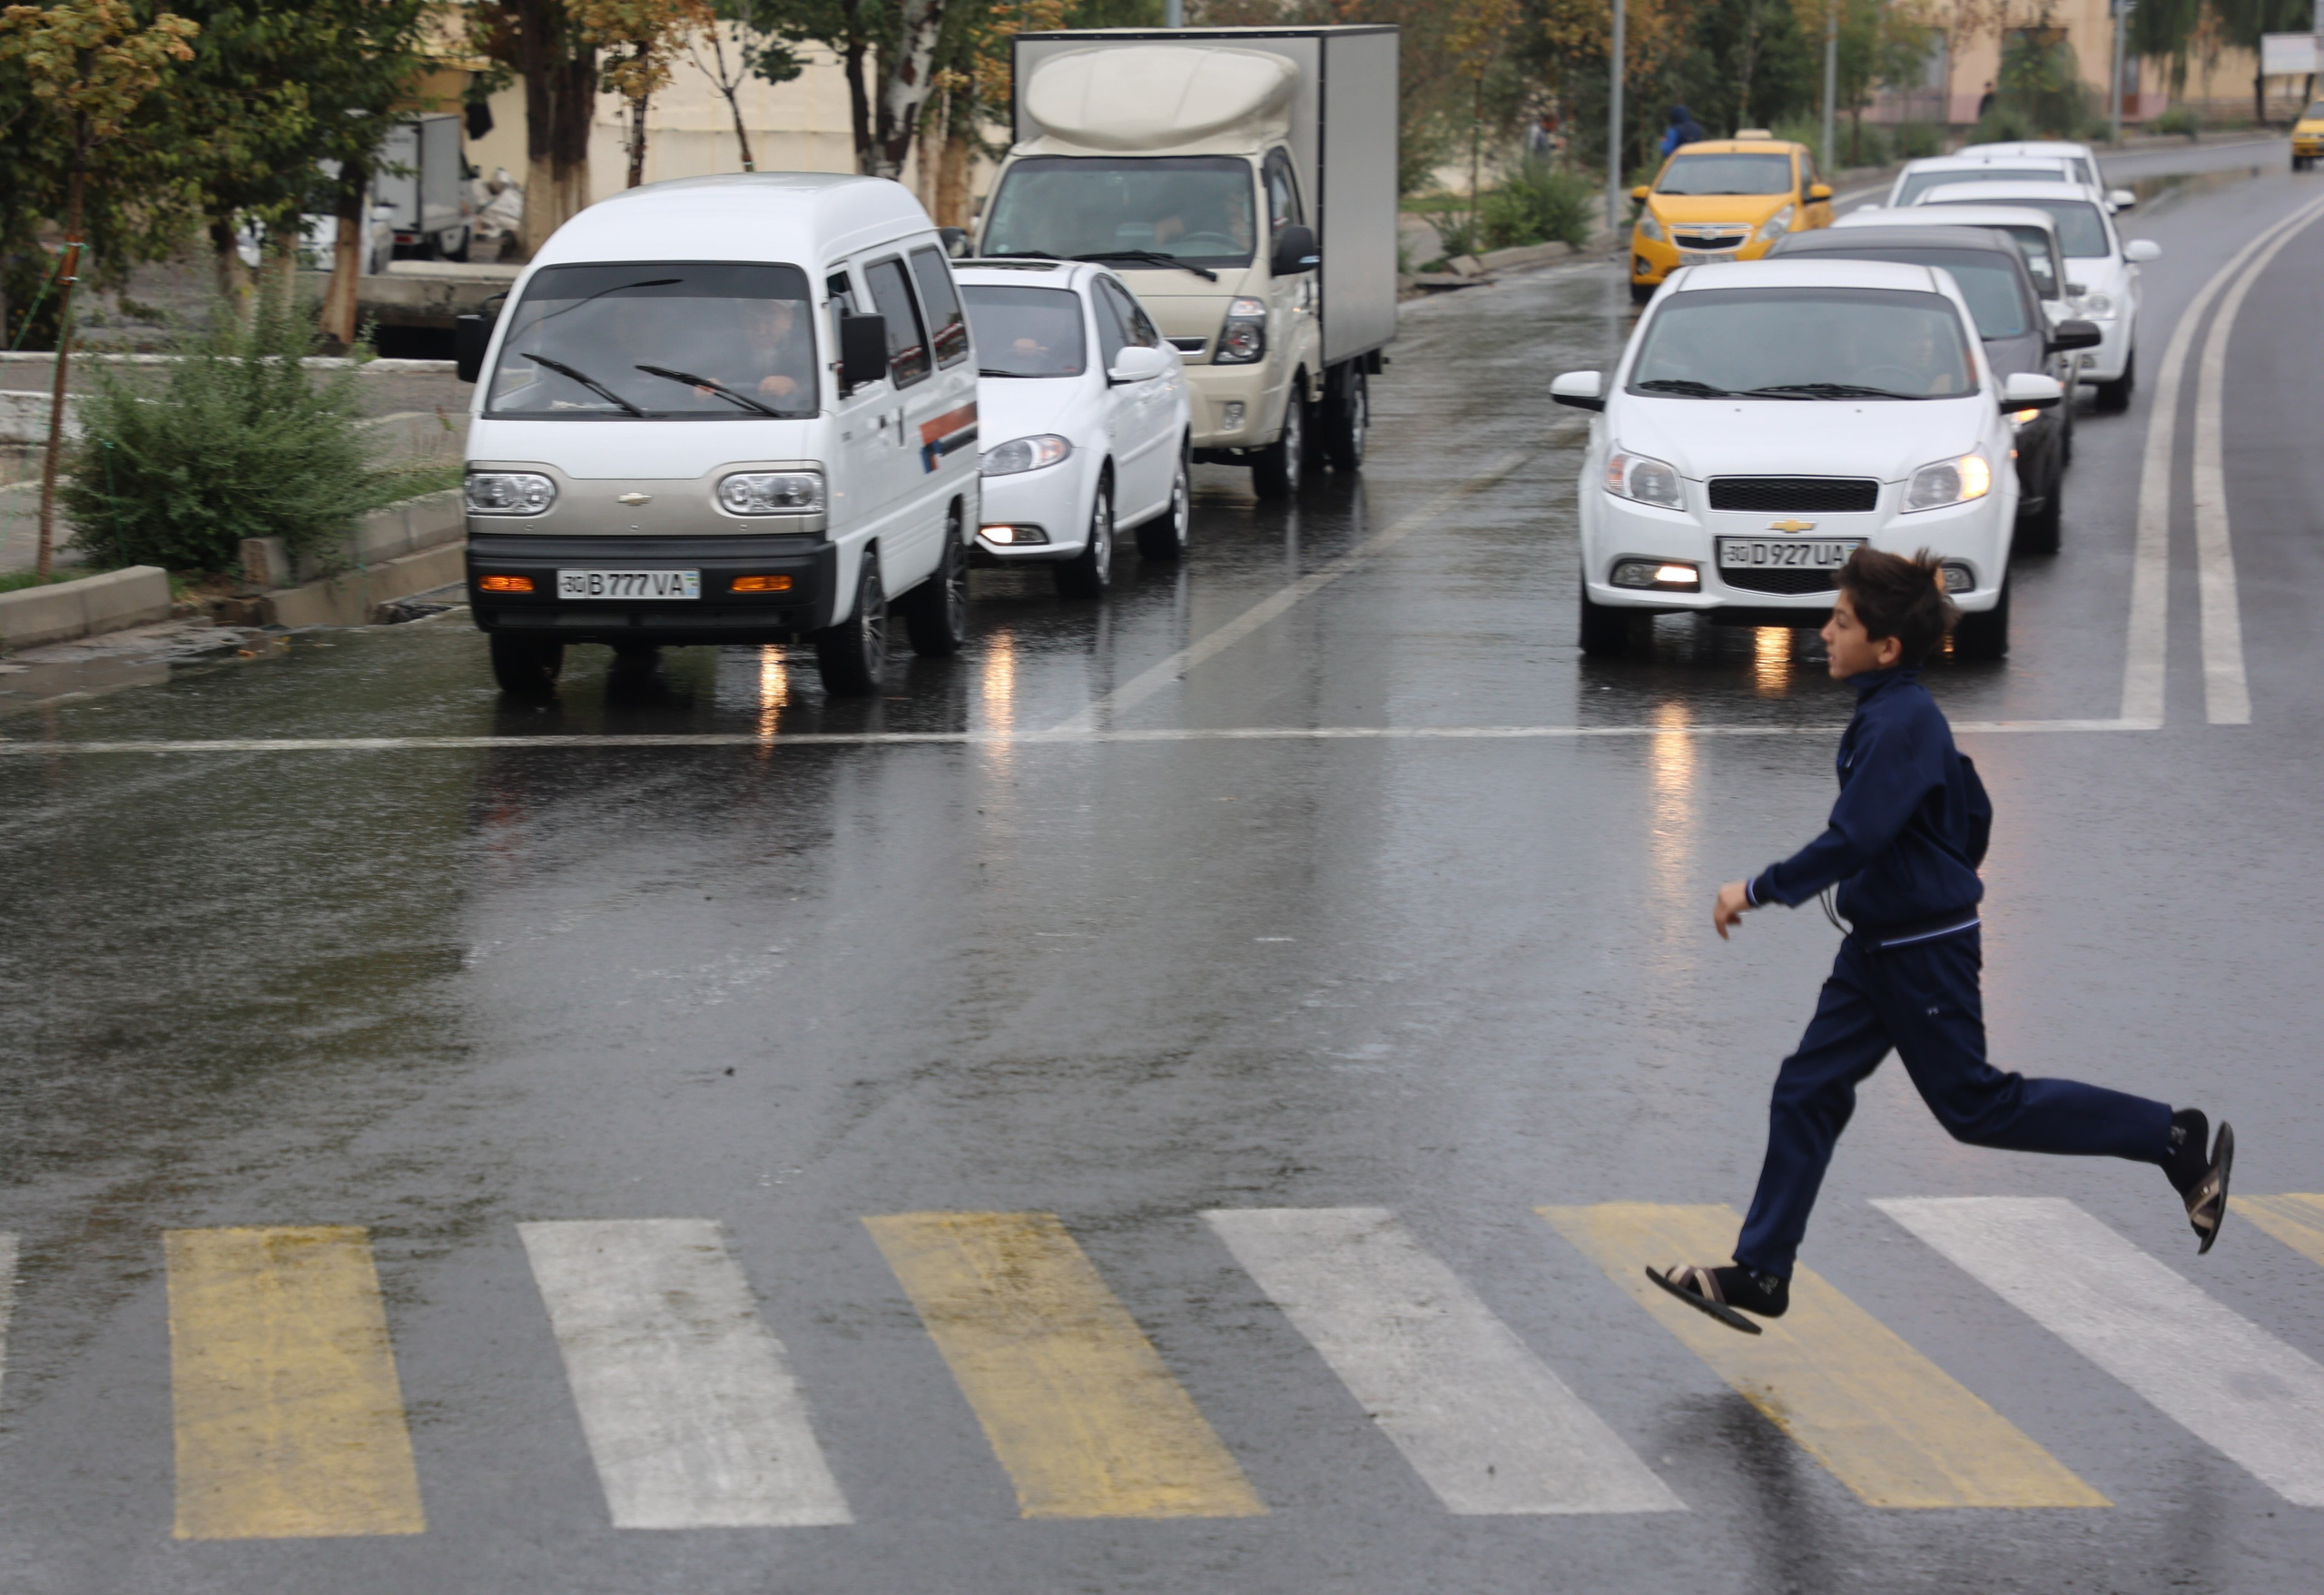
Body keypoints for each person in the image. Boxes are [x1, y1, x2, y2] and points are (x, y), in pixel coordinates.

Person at [1649, 548, 2234, 1335]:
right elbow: (1973, 807)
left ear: (1886, 647)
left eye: (1842, 621)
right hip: (1880, 947)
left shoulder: (1899, 723)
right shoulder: (1896, 711)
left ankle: (2169, 1135)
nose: (1824, 631)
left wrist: (1756, 889)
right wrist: (1929, 875)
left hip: (1920, 953)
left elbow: (1853, 837)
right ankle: (1760, 1271)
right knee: (1806, 1090)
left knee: (1975, 1107)